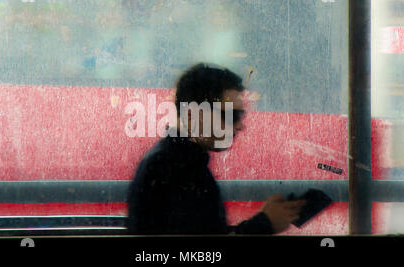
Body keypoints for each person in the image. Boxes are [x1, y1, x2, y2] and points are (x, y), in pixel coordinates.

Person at [126, 63, 306, 235]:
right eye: (231, 115)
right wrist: (265, 224)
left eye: (240, 115)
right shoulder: (177, 171)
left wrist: (265, 219)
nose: (240, 125)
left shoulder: (173, 162)